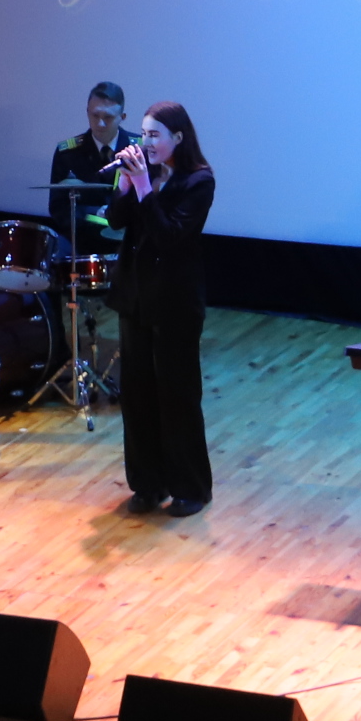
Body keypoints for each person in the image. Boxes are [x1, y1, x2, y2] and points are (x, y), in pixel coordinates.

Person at [106, 101, 217, 515]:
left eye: (155, 135)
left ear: (178, 138)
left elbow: (169, 236)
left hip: (174, 303)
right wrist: (125, 184)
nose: (145, 142)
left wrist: (144, 188)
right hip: (135, 297)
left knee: (177, 394)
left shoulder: (199, 181)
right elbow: (116, 221)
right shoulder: (144, 173)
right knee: (136, 395)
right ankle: (148, 484)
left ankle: (190, 487)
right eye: (143, 133)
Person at [48, 81, 134, 254]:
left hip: (126, 241)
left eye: (108, 117)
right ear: (87, 112)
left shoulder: (137, 151)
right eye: (95, 115)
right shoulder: (67, 153)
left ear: (122, 117)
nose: (100, 123)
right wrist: (94, 213)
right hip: (82, 239)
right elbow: (58, 207)